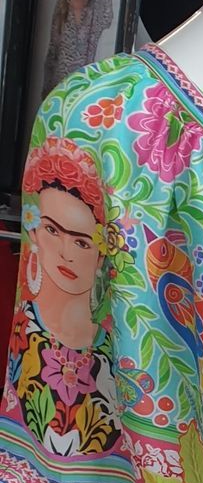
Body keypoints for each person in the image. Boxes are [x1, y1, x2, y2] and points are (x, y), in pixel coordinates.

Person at [7, 138, 117, 456]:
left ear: (100, 256)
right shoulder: (22, 331)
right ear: (35, 233)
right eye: (53, 230)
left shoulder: (116, 350)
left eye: (82, 242)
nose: (66, 253)